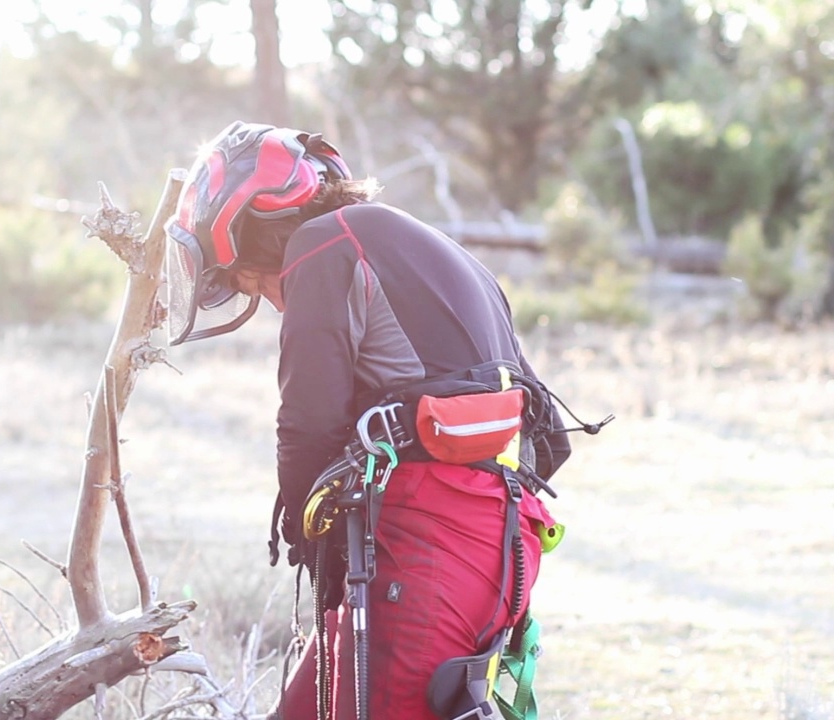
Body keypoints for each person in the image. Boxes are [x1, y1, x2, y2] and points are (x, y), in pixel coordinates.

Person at [164, 121, 579, 719]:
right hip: (498, 545)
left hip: (430, 547)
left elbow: (306, 425)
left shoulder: (322, 244)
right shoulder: (443, 254)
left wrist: (311, 539)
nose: (267, 298)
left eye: (247, 279)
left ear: (252, 233)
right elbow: (549, 439)